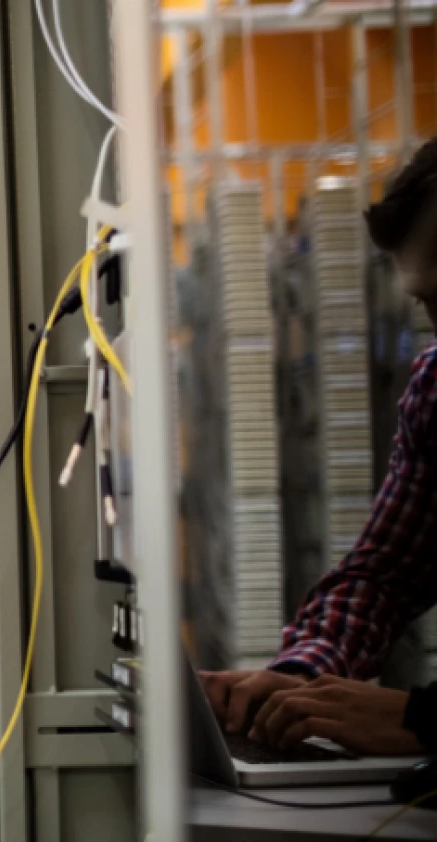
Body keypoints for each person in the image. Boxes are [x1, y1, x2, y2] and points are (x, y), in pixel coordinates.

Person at [200, 137, 437, 758]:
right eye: (428, 305)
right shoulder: (436, 390)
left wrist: (424, 720)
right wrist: (298, 674)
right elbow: (385, 574)